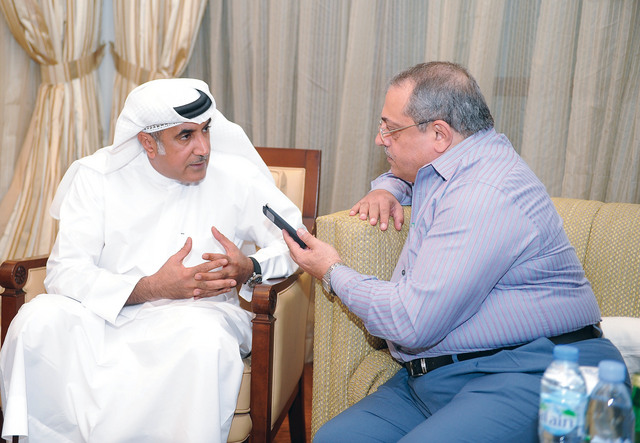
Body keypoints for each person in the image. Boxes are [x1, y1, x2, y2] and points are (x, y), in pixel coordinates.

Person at [283, 62, 627, 442]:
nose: (380, 140)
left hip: (531, 369)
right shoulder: (459, 160)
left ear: (439, 134)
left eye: (390, 129)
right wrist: (387, 188)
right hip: (439, 376)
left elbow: (410, 322)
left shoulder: (485, 192)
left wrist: (331, 270)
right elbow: (413, 177)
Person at [0, 78, 302, 442]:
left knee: (203, 341)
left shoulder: (236, 175)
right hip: (106, 314)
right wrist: (153, 287)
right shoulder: (97, 177)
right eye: (186, 136)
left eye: (206, 130)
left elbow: (296, 241)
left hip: (196, 315)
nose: (204, 148)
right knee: (36, 321)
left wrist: (250, 268)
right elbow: (65, 271)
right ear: (148, 143)